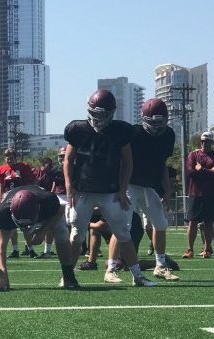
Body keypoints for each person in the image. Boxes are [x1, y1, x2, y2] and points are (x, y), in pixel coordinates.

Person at [64, 89, 156, 287]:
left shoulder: (121, 130)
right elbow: (68, 159)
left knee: (123, 233)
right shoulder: (77, 129)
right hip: (83, 191)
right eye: (96, 114)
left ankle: (137, 276)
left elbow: (127, 162)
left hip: (110, 192)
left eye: (103, 114)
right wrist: (69, 185)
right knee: (77, 235)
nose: (99, 118)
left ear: (112, 113)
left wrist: (123, 189)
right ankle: (68, 276)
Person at [0, 185, 79, 290]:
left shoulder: (48, 201)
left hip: (39, 202)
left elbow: (59, 210)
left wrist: (42, 231)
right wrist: (3, 277)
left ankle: (69, 276)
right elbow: (1, 247)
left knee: (61, 232)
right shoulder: (2, 214)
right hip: (14, 200)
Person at [126, 98, 179, 281]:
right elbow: (123, 161)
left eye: (159, 122)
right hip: (129, 184)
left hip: (149, 185)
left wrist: (167, 189)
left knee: (161, 223)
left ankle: (160, 265)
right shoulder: (133, 133)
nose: (156, 126)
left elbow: (163, 164)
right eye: (152, 122)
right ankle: (111, 268)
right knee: (122, 225)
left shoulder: (168, 135)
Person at [183, 131, 214, 258]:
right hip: (195, 193)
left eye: (208, 141)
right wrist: (210, 171)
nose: (205, 143)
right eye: (203, 141)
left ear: (212, 143)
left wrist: (201, 170)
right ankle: (190, 249)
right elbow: (191, 172)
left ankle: (207, 249)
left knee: (208, 222)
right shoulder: (193, 155)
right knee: (193, 222)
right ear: (200, 142)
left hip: (211, 194)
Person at [0, 148, 36, 258]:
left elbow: (32, 180)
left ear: (15, 157)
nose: (9, 159)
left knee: (25, 225)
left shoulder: (23, 167)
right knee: (11, 226)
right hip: (7, 198)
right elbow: (1, 186)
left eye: (11, 157)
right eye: (7, 157)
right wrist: (0, 200)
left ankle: (31, 249)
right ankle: (15, 250)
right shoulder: (1, 169)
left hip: (21, 196)